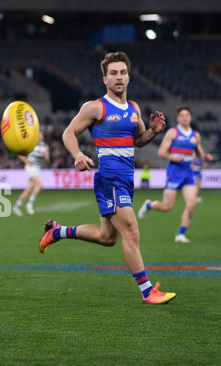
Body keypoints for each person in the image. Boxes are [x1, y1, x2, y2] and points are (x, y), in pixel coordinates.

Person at [37, 51, 176, 305]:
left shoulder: (134, 108)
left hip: (126, 179)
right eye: (113, 73)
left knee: (108, 238)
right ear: (105, 79)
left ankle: (58, 232)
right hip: (109, 178)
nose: (118, 77)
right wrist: (78, 154)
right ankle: (148, 291)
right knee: (132, 232)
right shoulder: (95, 107)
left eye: (122, 72)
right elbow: (68, 133)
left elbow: (137, 140)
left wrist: (154, 132)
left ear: (129, 77)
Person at [137, 107, 213, 243]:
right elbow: (161, 152)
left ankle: (180, 235)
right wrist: (173, 157)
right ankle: (149, 205)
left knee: (191, 204)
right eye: (182, 115)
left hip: (188, 174)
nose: (185, 117)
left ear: (190, 117)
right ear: (178, 118)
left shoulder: (195, 135)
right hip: (174, 173)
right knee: (167, 207)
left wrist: (205, 157)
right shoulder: (173, 133)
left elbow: (200, 153)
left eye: (187, 115)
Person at [12, 131, 50, 216]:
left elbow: (47, 160)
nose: (40, 137)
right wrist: (26, 161)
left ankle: (16, 207)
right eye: (39, 135)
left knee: (28, 189)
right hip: (31, 168)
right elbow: (19, 153)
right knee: (40, 185)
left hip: (38, 168)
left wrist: (45, 156)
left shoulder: (44, 146)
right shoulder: (30, 144)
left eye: (41, 135)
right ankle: (30, 204)